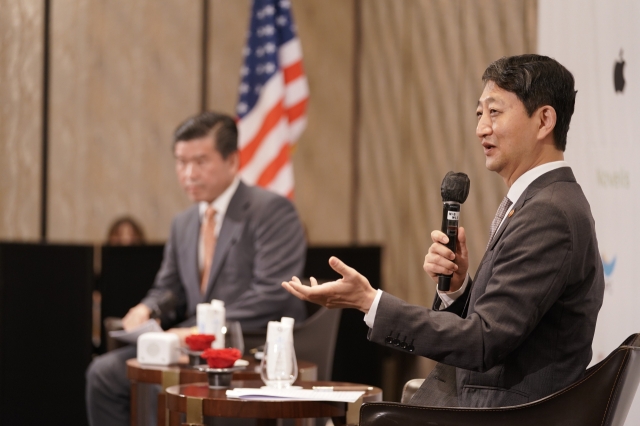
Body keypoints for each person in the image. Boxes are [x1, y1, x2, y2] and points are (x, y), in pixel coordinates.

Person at [283, 54, 605, 408]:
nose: (481, 127)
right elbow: (499, 329)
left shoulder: (549, 213)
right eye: (479, 114)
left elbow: (483, 343)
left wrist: (369, 301)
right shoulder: (543, 202)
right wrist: (456, 291)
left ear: (544, 120)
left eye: (495, 112)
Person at [86, 111, 307, 425]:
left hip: (250, 349)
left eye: (200, 162)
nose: (188, 173)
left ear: (232, 161)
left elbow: (272, 293)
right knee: (104, 374)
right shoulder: (184, 223)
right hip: (191, 350)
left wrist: (199, 332)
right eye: (181, 162)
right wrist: (147, 309)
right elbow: (169, 288)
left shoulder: (271, 211)